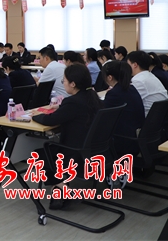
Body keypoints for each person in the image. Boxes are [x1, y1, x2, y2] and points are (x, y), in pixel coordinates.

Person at [32, 64, 103, 210]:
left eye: (64, 80)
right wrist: (62, 107)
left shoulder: (73, 102)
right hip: (95, 151)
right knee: (49, 150)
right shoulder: (93, 97)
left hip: (75, 153)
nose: (63, 83)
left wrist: (34, 116)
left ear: (73, 84)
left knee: (41, 154)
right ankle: (60, 191)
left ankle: (63, 189)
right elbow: (76, 110)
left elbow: (50, 120)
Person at [101, 61, 145, 157]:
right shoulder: (131, 89)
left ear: (110, 77)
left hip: (122, 141)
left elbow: (101, 115)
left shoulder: (114, 94)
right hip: (134, 135)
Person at [126, 51, 168, 116]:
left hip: (146, 118)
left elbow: (126, 99)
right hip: (157, 117)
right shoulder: (151, 76)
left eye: (128, 64)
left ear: (135, 65)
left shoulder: (139, 80)